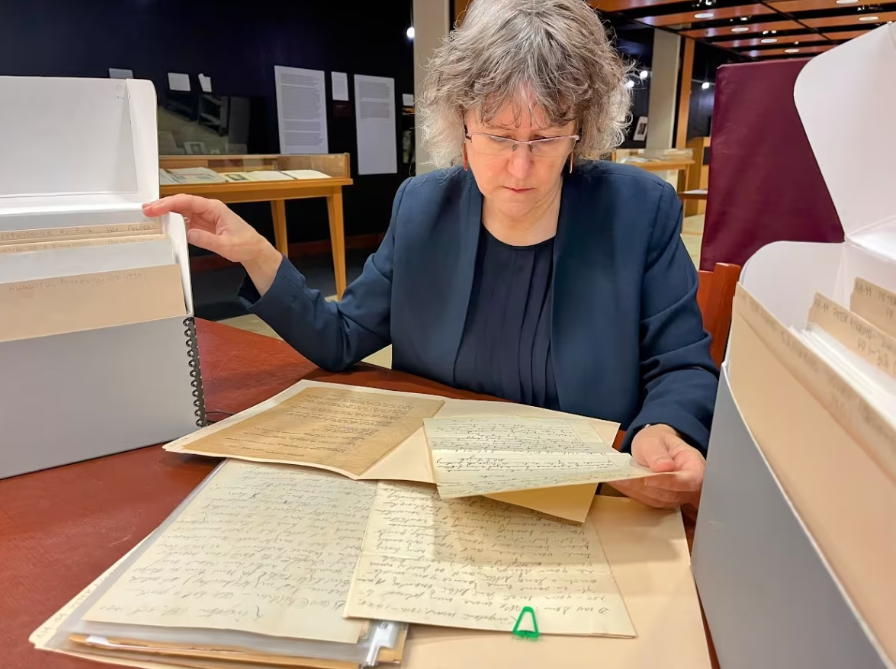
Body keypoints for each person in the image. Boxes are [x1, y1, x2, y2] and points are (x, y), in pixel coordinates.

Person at [144, 0, 719, 509]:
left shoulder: (638, 211)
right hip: (436, 493)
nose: (521, 167)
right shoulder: (424, 208)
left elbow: (682, 365)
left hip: (591, 495)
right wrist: (257, 253)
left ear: (581, 130)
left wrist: (664, 427)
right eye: (498, 135)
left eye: (545, 138)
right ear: (461, 122)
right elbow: (340, 339)